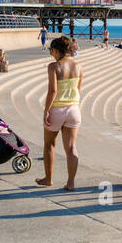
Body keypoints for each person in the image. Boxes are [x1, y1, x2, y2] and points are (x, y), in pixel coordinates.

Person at [37, 35, 83, 190]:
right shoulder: (78, 67)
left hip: (57, 108)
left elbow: (53, 91)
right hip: (74, 109)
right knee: (71, 148)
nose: (51, 53)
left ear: (56, 50)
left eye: (51, 50)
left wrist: (46, 110)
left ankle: (48, 179)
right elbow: (78, 89)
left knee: (49, 144)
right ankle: (71, 183)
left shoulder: (54, 66)